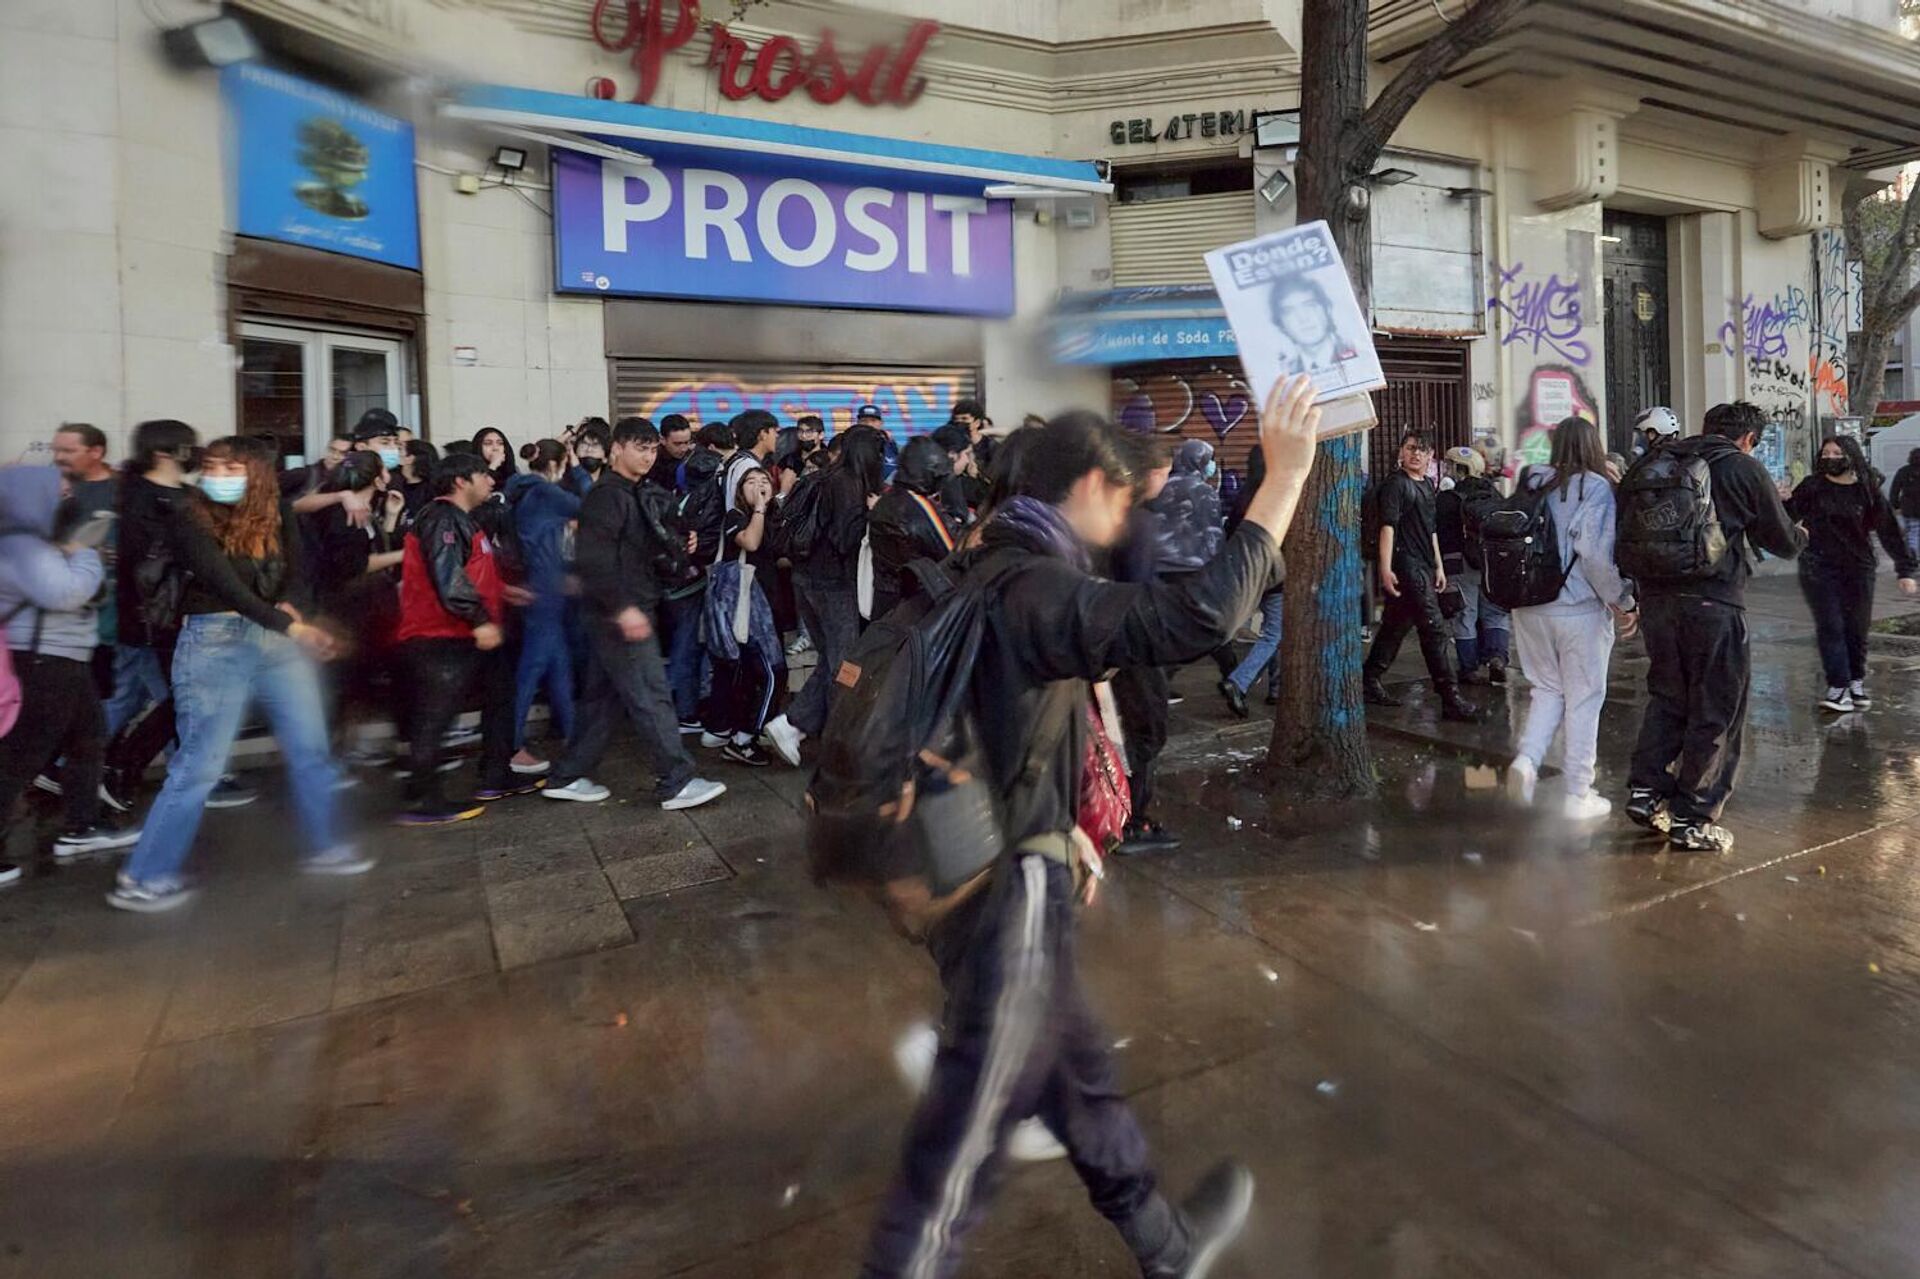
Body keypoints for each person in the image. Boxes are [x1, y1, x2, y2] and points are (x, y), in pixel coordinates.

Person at [855, 376, 1324, 1279]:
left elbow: (997, 717)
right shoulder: (1038, 585)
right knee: (956, 1156)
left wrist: (1055, 818)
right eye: (1121, 498)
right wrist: (1283, 479)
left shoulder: (990, 564)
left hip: (992, 864)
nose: (1124, 521)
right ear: (1091, 487)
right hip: (1002, 901)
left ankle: (1166, 1245)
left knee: (1078, 1083)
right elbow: (1196, 616)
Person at [108, 439, 364, 911]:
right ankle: (143, 877)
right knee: (199, 767)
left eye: (230, 467)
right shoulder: (189, 516)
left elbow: (298, 568)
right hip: (215, 642)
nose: (217, 475)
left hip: (277, 641)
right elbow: (225, 584)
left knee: (310, 747)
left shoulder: (278, 510)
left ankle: (326, 846)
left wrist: (292, 605)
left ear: (258, 474)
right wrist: (292, 625)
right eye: (211, 467)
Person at [1625, 401, 1804, 853]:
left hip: (1657, 603)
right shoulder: (1741, 468)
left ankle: (1647, 793)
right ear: (1748, 439)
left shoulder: (1656, 463)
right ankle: (1694, 817)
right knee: (1717, 709)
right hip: (1714, 603)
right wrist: (1803, 532)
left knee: (1667, 698)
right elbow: (1781, 541)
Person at [543, 417, 725, 810]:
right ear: (617, 449)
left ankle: (567, 775)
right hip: (620, 614)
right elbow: (595, 560)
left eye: (651, 448)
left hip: (625, 608)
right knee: (652, 694)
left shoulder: (633, 492)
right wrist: (624, 609)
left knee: (601, 701)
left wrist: (680, 541)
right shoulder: (607, 496)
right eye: (638, 447)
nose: (646, 455)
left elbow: (642, 546)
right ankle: (676, 779)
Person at [0, 466, 137, 885]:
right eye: (59, 493)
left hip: (63, 655)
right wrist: (84, 555)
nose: (69, 497)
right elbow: (67, 593)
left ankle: (81, 826)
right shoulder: (22, 545)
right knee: (21, 756)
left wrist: (80, 560)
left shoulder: (38, 541)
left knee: (87, 740)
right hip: (41, 659)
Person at [394, 453, 539, 826]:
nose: (491, 481)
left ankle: (495, 773)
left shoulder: (460, 520)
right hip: (441, 635)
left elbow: (468, 570)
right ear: (461, 481)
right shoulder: (442, 517)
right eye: (484, 475)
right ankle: (424, 799)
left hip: (467, 632)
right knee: (436, 715)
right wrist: (479, 620)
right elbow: (449, 579)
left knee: (500, 696)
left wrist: (502, 592)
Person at [1505, 418, 1637, 820]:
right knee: (1583, 698)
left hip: (1528, 606)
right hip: (1577, 609)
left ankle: (1526, 763)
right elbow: (1595, 555)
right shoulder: (1593, 487)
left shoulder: (1532, 481)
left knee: (1546, 689)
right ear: (1593, 445)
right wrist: (1623, 600)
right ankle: (1578, 793)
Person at [763, 426, 885, 768]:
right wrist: (873, 514)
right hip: (833, 585)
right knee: (845, 662)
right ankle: (819, 734)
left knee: (834, 659)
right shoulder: (848, 484)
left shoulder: (821, 476)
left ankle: (798, 727)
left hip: (806, 580)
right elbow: (846, 539)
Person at [1787, 434, 1919, 713]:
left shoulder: (1867, 489)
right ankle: (1837, 686)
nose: (1830, 458)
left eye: (1837, 453)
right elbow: (1786, 516)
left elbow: (1889, 531)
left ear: (1851, 456)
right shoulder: (1812, 487)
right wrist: (1778, 500)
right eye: (1826, 453)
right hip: (1818, 568)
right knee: (1831, 625)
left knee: (1856, 628)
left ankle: (1856, 681)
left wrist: (1905, 570)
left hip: (1859, 568)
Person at [1362, 431, 1481, 722]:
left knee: (1396, 625)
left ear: (1431, 457)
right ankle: (1449, 697)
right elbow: (1387, 527)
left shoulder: (1428, 485)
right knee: (1434, 629)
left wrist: (1439, 567)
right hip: (1405, 564)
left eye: (1423, 450)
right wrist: (1385, 567)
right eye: (1411, 448)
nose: (1416, 454)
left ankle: (1368, 679)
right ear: (1401, 452)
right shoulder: (1395, 485)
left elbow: (1432, 530)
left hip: (1425, 565)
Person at [1110, 434, 1181, 854]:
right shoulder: (1136, 522)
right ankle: (1132, 819)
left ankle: (1121, 811)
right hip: (1134, 643)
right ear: (1152, 474)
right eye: (1165, 476)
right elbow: (1135, 589)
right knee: (1145, 731)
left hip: (1112, 639)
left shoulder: (1112, 516)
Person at [702, 465, 786, 767]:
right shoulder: (735, 517)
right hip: (748, 612)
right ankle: (745, 738)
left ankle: (746, 733)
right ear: (740, 490)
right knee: (774, 672)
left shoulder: (774, 519)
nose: (759, 485)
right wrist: (760, 508)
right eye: (751, 482)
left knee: (754, 675)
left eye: (765, 481)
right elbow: (749, 543)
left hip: (766, 608)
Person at [506, 439, 582, 771]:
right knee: (533, 668)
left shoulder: (521, 489)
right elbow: (592, 504)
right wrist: (579, 468)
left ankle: (573, 733)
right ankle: (510, 744)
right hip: (545, 586)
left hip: (542, 584)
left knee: (557, 664)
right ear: (556, 465)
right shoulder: (544, 492)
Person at [1435, 445, 1510, 685]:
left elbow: (1440, 534)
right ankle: (1497, 657)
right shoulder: (1494, 495)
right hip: (1493, 564)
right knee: (1496, 613)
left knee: (1465, 615)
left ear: (1458, 469)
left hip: (1460, 564)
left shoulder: (1447, 498)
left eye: (1449, 465)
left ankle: (1469, 669)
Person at [1217, 447, 1283, 716]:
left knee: (1278, 631)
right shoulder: (1275, 499)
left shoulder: (1244, 496)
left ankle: (1277, 689)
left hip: (1250, 575)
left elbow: (1230, 533)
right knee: (1275, 633)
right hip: (1273, 576)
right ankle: (1238, 681)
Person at [866, 436, 959, 621]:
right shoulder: (920, 508)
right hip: (916, 604)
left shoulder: (886, 500)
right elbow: (952, 555)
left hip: (885, 597)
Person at [1269, 274, 1359, 377]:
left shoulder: (1360, 354)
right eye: (1289, 312)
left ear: (1327, 310)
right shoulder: (1282, 374)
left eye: (1310, 306)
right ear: (1282, 326)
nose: (1303, 318)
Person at [1887, 445, 1920, 564]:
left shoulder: (1903, 471)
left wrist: (1895, 506)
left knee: (1912, 533)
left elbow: (1894, 490)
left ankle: (1913, 557)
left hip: (1909, 508)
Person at [649, 414, 695, 493]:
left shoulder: (694, 458)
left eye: (687, 442)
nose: (684, 449)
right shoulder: (650, 462)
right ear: (662, 439)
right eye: (677, 444)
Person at [397, 439, 440, 520]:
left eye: (400, 449)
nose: (395, 452)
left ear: (410, 458)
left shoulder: (432, 490)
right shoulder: (396, 483)